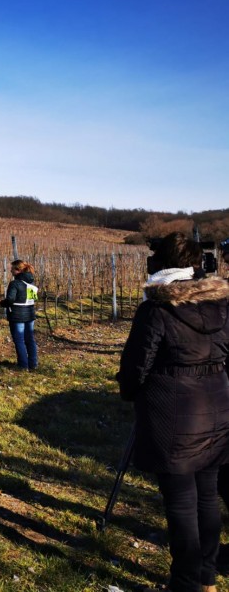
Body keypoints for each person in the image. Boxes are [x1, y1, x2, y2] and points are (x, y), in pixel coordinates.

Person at [117, 232, 229, 592]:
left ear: (162, 266)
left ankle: (185, 583)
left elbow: (136, 365)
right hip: (217, 409)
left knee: (182, 503)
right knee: (208, 497)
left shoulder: (156, 309)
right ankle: (207, 578)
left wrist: (131, 392)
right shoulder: (220, 306)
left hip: (173, 415)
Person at [0, 260, 38, 371]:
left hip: (17, 316)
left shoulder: (15, 283)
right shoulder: (31, 283)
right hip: (30, 314)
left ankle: (23, 365)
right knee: (30, 339)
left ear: (18, 270)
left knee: (19, 340)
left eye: (12, 268)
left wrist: (2, 303)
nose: (10, 270)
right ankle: (33, 363)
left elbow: (10, 299)